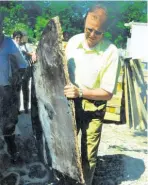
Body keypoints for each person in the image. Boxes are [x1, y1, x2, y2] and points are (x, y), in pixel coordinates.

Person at [64, 5, 121, 185]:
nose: (92, 35)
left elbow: (107, 93)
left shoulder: (111, 52)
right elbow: (60, 67)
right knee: (66, 149)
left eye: (98, 32)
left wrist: (80, 92)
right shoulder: (73, 42)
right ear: (84, 22)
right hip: (70, 104)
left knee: (88, 155)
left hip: (93, 108)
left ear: (105, 31)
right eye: (89, 29)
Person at [0, 17, 27, 162]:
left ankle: (12, 149)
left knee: (8, 123)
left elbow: (23, 65)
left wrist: (16, 80)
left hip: (6, 91)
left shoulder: (10, 44)